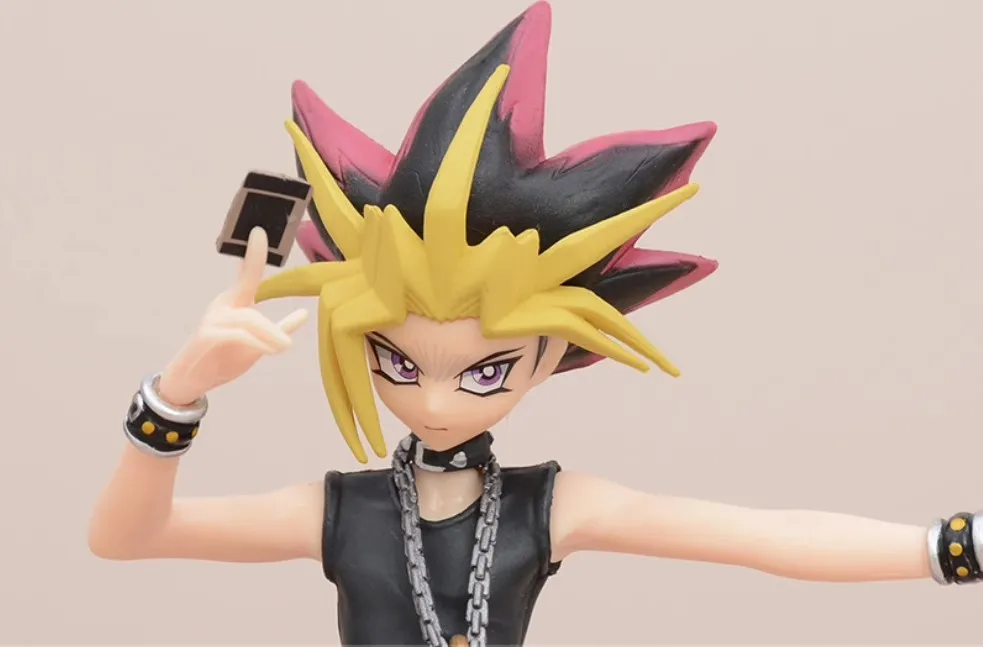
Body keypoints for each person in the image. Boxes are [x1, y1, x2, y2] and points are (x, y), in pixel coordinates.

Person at [87, 3, 981, 646]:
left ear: (554, 355)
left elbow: (758, 536)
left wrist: (949, 547)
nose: (435, 399)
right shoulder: (342, 512)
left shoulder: (549, 508)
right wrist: (176, 395)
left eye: (486, 370)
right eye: (396, 361)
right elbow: (126, 538)